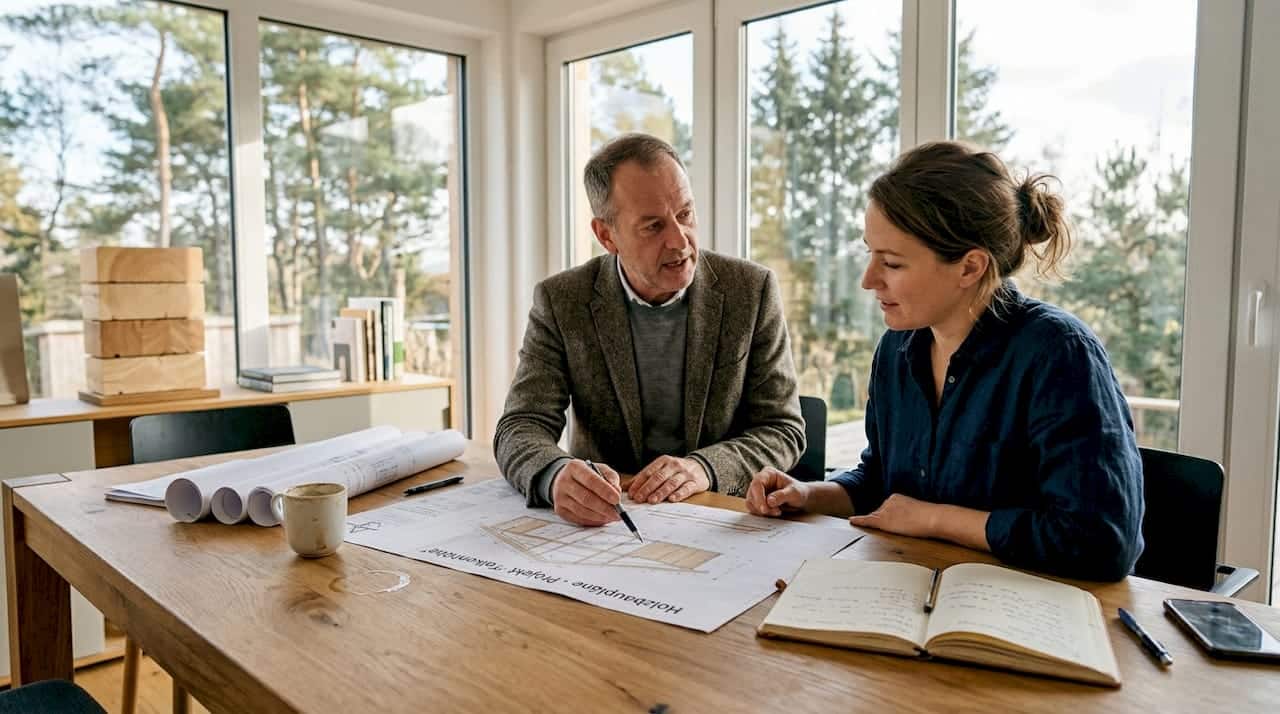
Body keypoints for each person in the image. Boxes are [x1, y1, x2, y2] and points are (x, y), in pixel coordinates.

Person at [746, 141, 1144, 581]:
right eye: (869, 254)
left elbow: (1103, 542)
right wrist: (809, 494)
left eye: (892, 263)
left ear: (969, 267)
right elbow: (883, 485)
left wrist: (935, 519)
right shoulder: (897, 350)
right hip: (908, 588)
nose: (868, 279)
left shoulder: (1060, 353)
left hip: (1027, 610)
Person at [495, 133, 805, 527]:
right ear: (606, 235)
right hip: (608, 526)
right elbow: (520, 425)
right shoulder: (562, 301)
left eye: (686, 214)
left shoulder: (751, 290)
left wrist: (704, 468)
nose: (679, 240)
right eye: (653, 226)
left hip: (720, 522)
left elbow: (782, 428)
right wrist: (553, 475)